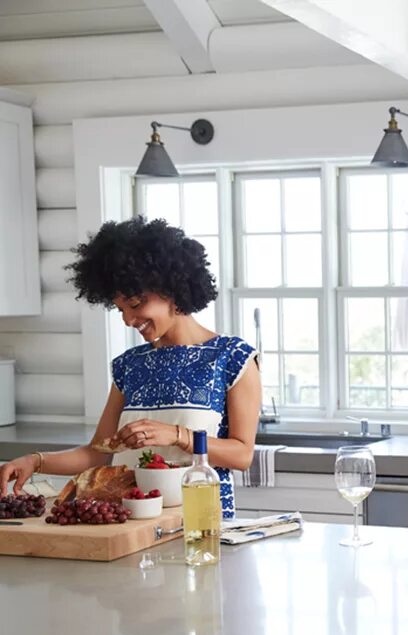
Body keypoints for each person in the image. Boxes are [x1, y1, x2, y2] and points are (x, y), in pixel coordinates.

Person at [0, 216, 262, 520]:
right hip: (131, 525)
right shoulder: (129, 365)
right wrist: (35, 461)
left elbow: (242, 455)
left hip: (200, 522)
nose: (127, 319)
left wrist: (177, 435)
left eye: (136, 304)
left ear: (173, 292)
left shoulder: (233, 357)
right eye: (121, 309)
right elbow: (98, 452)